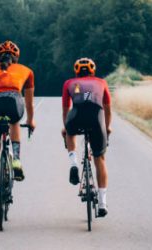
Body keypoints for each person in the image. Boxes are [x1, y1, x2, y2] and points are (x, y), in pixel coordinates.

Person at [0, 40, 36, 216]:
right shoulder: (26, 71)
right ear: (17, 57)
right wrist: (31, 120)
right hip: (13, 103)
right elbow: (29, 103)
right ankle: (16, 160)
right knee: (14, 121)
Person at [62, 58, 112, 217]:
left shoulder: (69, 83)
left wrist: (66, 127)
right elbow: (107, 109)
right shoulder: (102, 82)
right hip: (96, 119)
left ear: (77, 71)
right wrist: (107, 127)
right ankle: (103, 203)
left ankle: (74, 163)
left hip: (76, 115)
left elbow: (66, 108)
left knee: (70, 132)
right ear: (93, 71)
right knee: (100, 159)